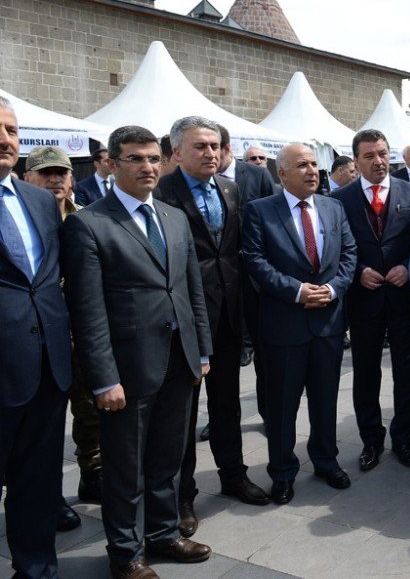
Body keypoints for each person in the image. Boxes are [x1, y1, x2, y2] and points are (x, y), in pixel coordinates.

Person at [62, 125, 214, 578]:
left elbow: (192, 293)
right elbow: (87, 311)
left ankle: (164, 534)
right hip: (126, 371)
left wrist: (202, 350)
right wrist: (104, 379)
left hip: (178, 359)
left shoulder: (173, 217)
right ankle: (125, 553)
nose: (147, 167)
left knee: (168, 458)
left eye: (153, 158)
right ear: (111, 163)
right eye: (135, 159)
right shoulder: (89, 224)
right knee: (125, 469)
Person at [155, 117, 270, 537]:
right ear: (177, 152)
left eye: (215, 145)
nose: (210, 153)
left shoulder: (230, 188)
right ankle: (182, 495)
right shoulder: (161, 192)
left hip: (228, 314)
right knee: (182, 413)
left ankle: (233, 475)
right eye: (200, 146)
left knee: (227, 403)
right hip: (183, 316)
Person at [241, 142, 357, 505]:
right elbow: (255, 261)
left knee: (324, 401)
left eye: (314, 165)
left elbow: (349, 253)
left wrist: (333, 289)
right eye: (302, 165)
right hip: (283, 326)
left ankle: (326, 461)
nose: (312, 171)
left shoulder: (333, 207)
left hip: (328, 324)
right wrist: (296, 291)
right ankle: (283, 472)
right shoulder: (260, 211)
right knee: (281, 407)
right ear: (282, 174)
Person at [0, 99, 74, 578]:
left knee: (36, 482)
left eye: (10, 128)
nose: (4, 138)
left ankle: (37, 570)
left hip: (46, 368)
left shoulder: (40, 201)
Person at [331, 129, 410, 472]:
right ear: (355, 161)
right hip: (364, 301)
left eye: (382, 153)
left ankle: (403, 437)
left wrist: (409, 267)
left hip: (403, 299)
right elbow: (335, 249)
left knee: (407, 371)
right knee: (366, 373)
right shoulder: (339, 200)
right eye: (369, 156)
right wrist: (357, 272)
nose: (378, 161)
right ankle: (372, 439)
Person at [23, 146, 96, 527]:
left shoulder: (86, 220)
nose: (55, 180)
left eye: (61, 173)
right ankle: (47, 497)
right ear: (27, 178)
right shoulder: (21, 218)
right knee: (44, 425)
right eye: (45, 173)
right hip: (37, 337)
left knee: (91, 410)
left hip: (83, 334)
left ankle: (93, 474)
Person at [217, 125, 278, 419]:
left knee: (265, 357)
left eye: (215, 148)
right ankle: (223, 418)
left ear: (227, 149)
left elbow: (275, 222)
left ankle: (268, 412)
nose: (209, 155)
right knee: (224, 356)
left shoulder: (257, 175)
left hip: (256, 280)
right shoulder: (197, 184)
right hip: (219, 284)